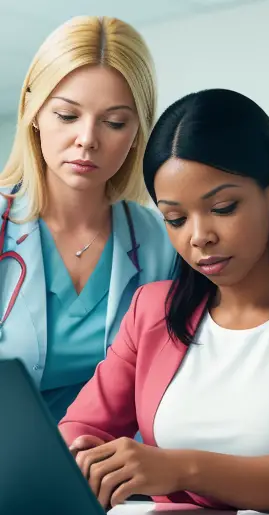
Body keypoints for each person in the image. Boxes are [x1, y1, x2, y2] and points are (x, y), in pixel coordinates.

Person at [58, 88, 269, 512]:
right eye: (175, 219)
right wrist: (75, 460)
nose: (198, 236)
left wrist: (181, 469)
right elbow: (81, 429)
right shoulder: (153, 309)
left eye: (222, 207)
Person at [0, 16, 175, 421]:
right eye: (66, 116)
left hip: (109, 473)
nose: (88, 139)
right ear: (32, 110)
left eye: (115, 122)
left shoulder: (159, 242)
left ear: (137, 131)